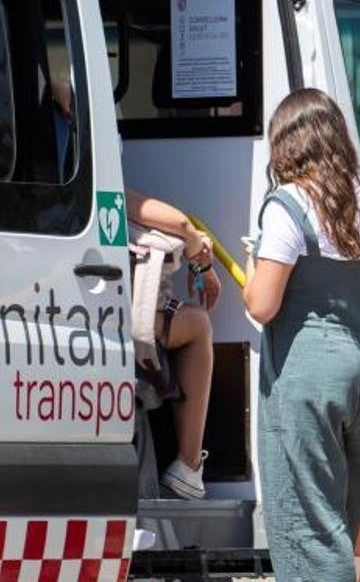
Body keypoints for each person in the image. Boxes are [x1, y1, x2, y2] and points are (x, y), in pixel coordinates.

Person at [243, 89, 360, 580]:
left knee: (308, 534)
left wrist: (253, 260)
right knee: (338, 525)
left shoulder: (287, 204)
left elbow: (262, 304)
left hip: (306, 379)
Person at [125, 190, 221, 500]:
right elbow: (181, 223)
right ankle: (188, 464)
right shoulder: (104, 178)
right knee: (198, 324)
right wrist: (201, 259)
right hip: (124, 317)